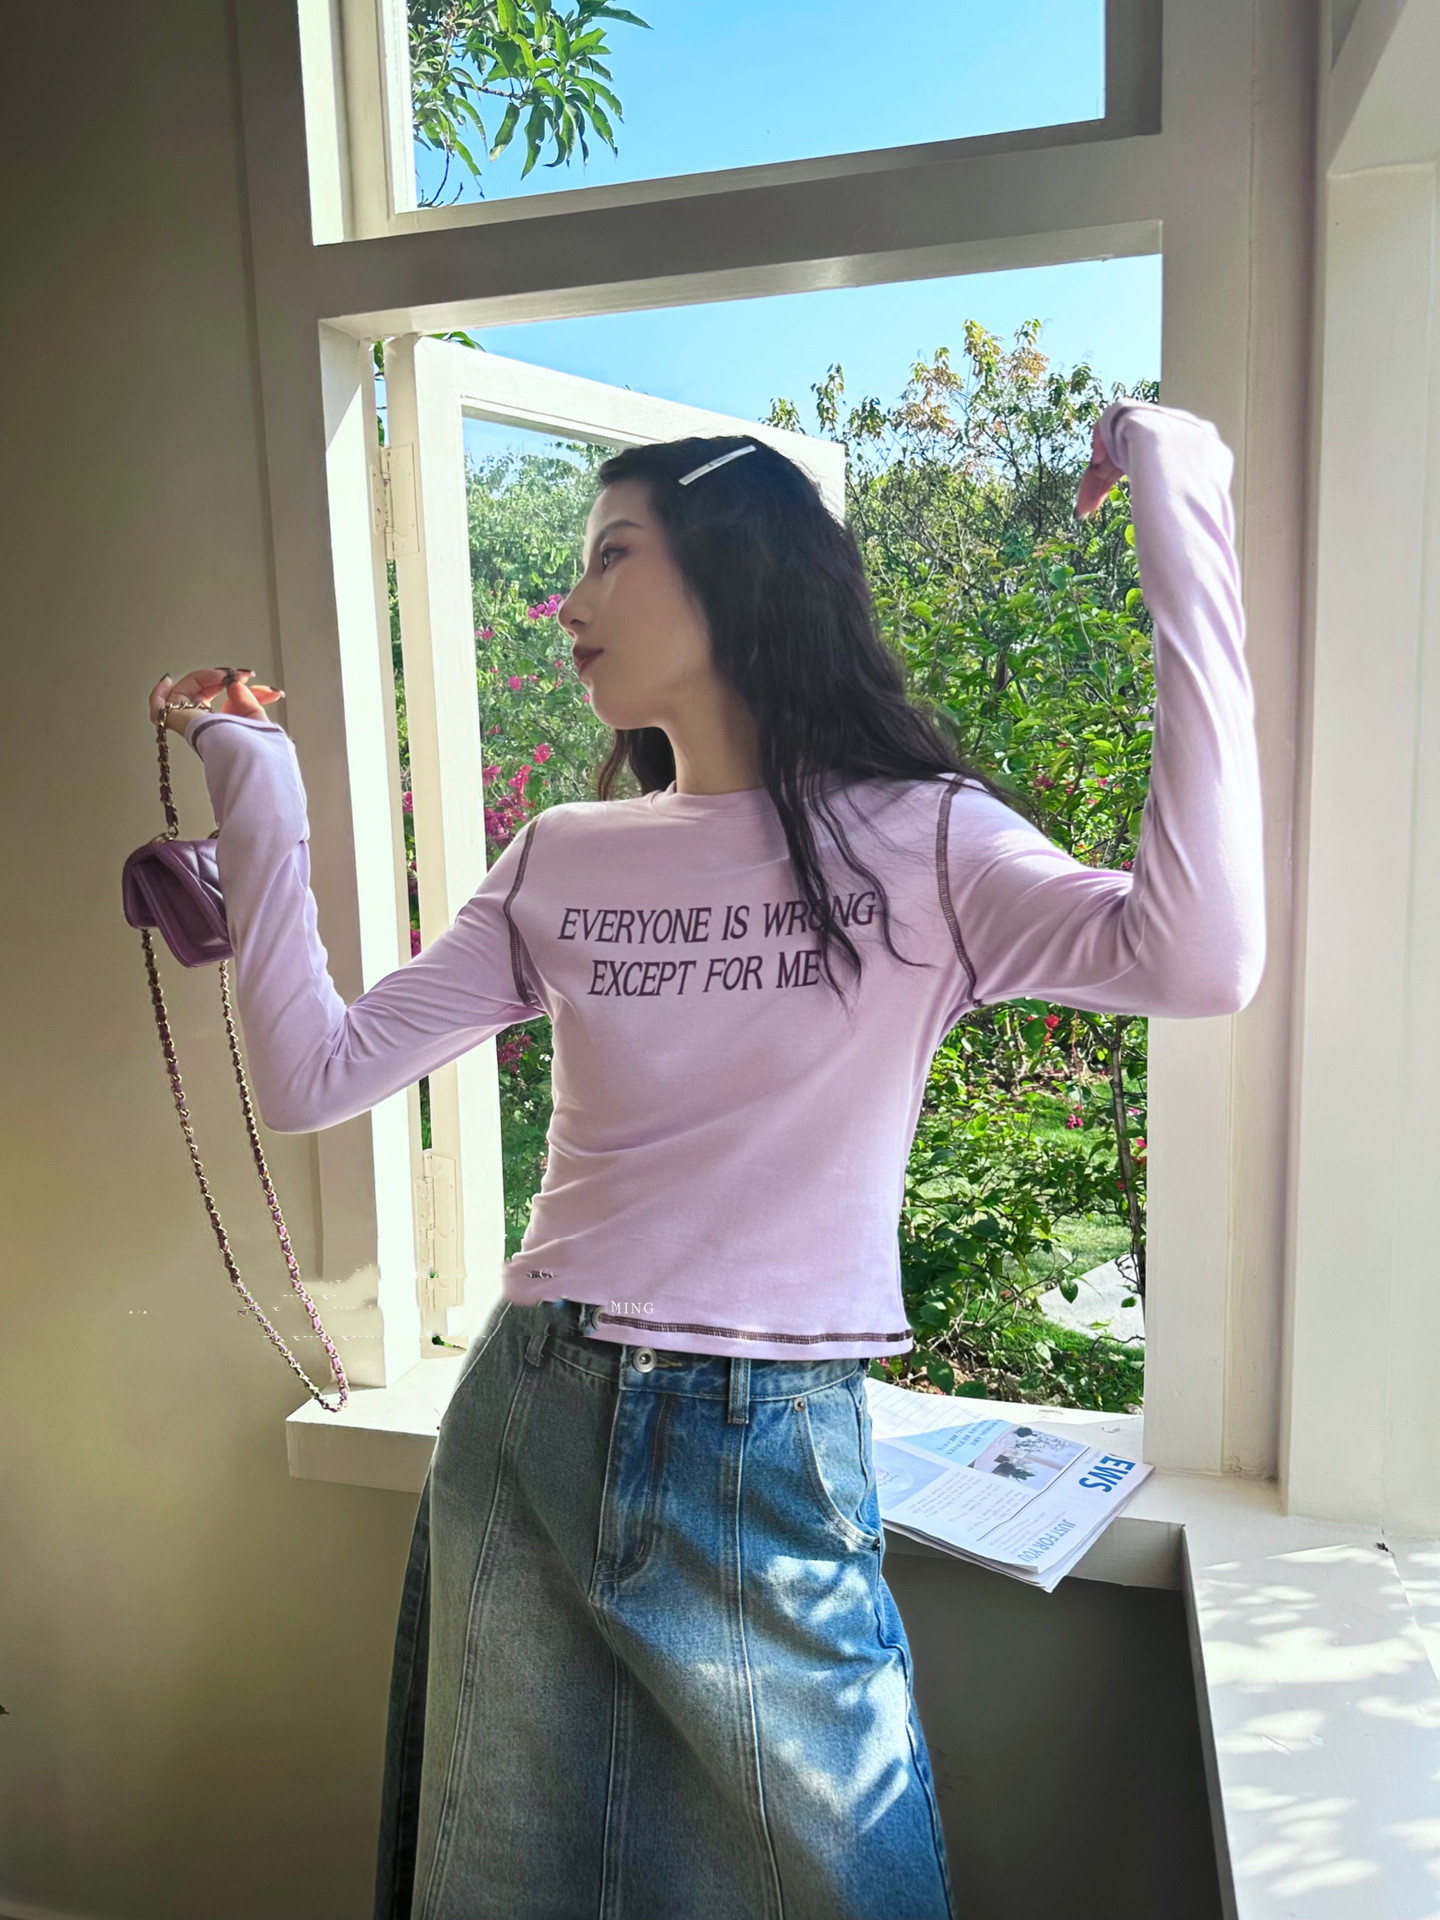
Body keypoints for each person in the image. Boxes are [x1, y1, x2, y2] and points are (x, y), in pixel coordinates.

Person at [148, 397, 1264, 1920]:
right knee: (511, 1881)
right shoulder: (564, 852)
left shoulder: (929, 840)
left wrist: (1178, 498)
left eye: (612, 554)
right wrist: (252, 774)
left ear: (742, 571)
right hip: (534, 1408)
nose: (570, 601)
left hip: (766, 1437)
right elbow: (314, 1075)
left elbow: (1196, 957)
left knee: (850, 1882)